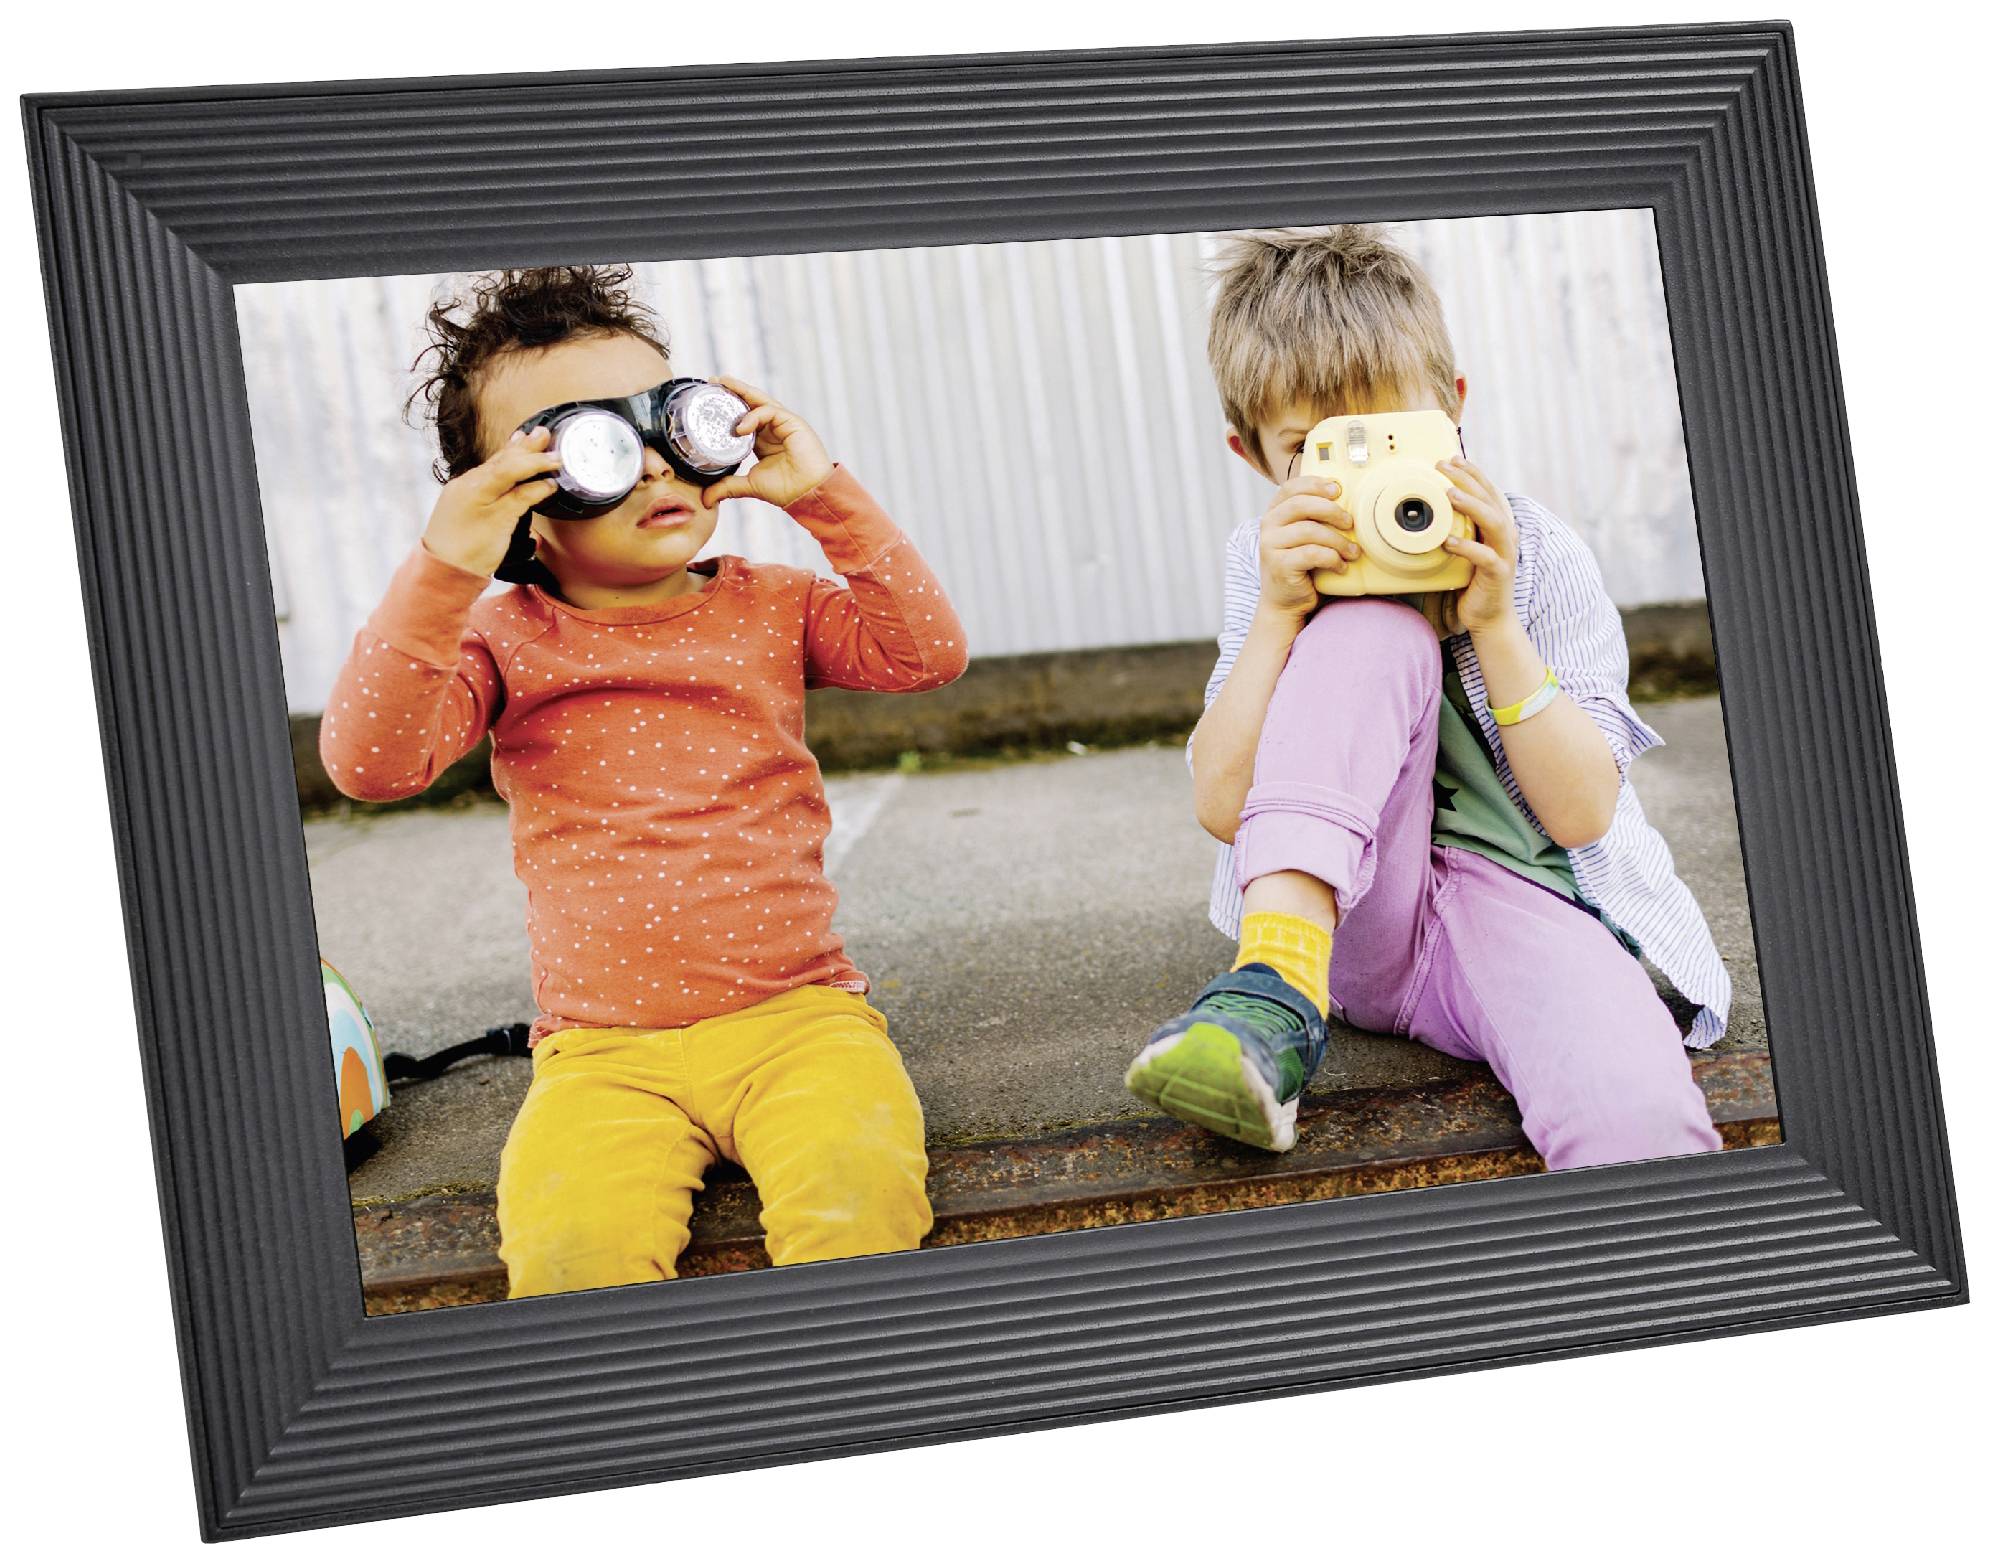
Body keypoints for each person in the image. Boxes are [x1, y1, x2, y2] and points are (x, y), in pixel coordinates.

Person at [320, 265, 968, 1294]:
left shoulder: (772, 603)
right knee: (570, 1256)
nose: (654, 463)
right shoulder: (499, 640)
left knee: (859, 1205)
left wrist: (823, 494)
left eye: (665, 418)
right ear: (517, 505)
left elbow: (923, 653)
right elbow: (370, 765)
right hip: (602, 1057)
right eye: (593, 446)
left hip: (801, 1023)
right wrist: (446, 564)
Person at [1125, 226, 1729, 1167]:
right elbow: (1223, 803)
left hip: (1525, 906)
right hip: (1350, 922)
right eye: (1318, 452)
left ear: (1454, 410)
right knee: (1374, 629)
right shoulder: (1268, 563)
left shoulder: (1536, 551)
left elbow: (1583, 813)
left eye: (1393, 441)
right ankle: (1273, 992)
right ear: (1255, 460)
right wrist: (1281, 619)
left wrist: (1496, 626)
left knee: (1637, 1115)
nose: (1368, 486)